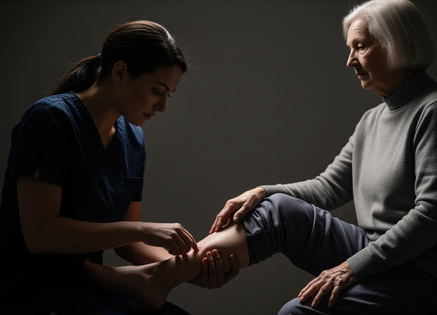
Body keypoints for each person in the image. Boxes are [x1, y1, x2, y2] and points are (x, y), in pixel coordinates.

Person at [80, 0, 437, 314]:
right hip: (375, 251)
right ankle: (162, 276)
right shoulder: (372, 120)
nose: (349, 61)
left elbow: (431, 215)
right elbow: (327, 188)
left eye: (359, 47)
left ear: (396, 44)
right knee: (276, 208)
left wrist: (352, 267)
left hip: (419, 271)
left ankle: (159, 276)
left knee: (297, 312)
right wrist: (262, 191)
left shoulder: (431, 111)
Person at [0, 20, 238, 315]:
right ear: (120, 72)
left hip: (86, 284)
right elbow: (41, 235)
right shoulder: (50, 120)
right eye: (157, 91)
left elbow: (128, 244)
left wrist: (189, 270)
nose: (162, 107)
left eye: (168, 95)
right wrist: (144, 229)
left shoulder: (133, 139)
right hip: (25, 288)